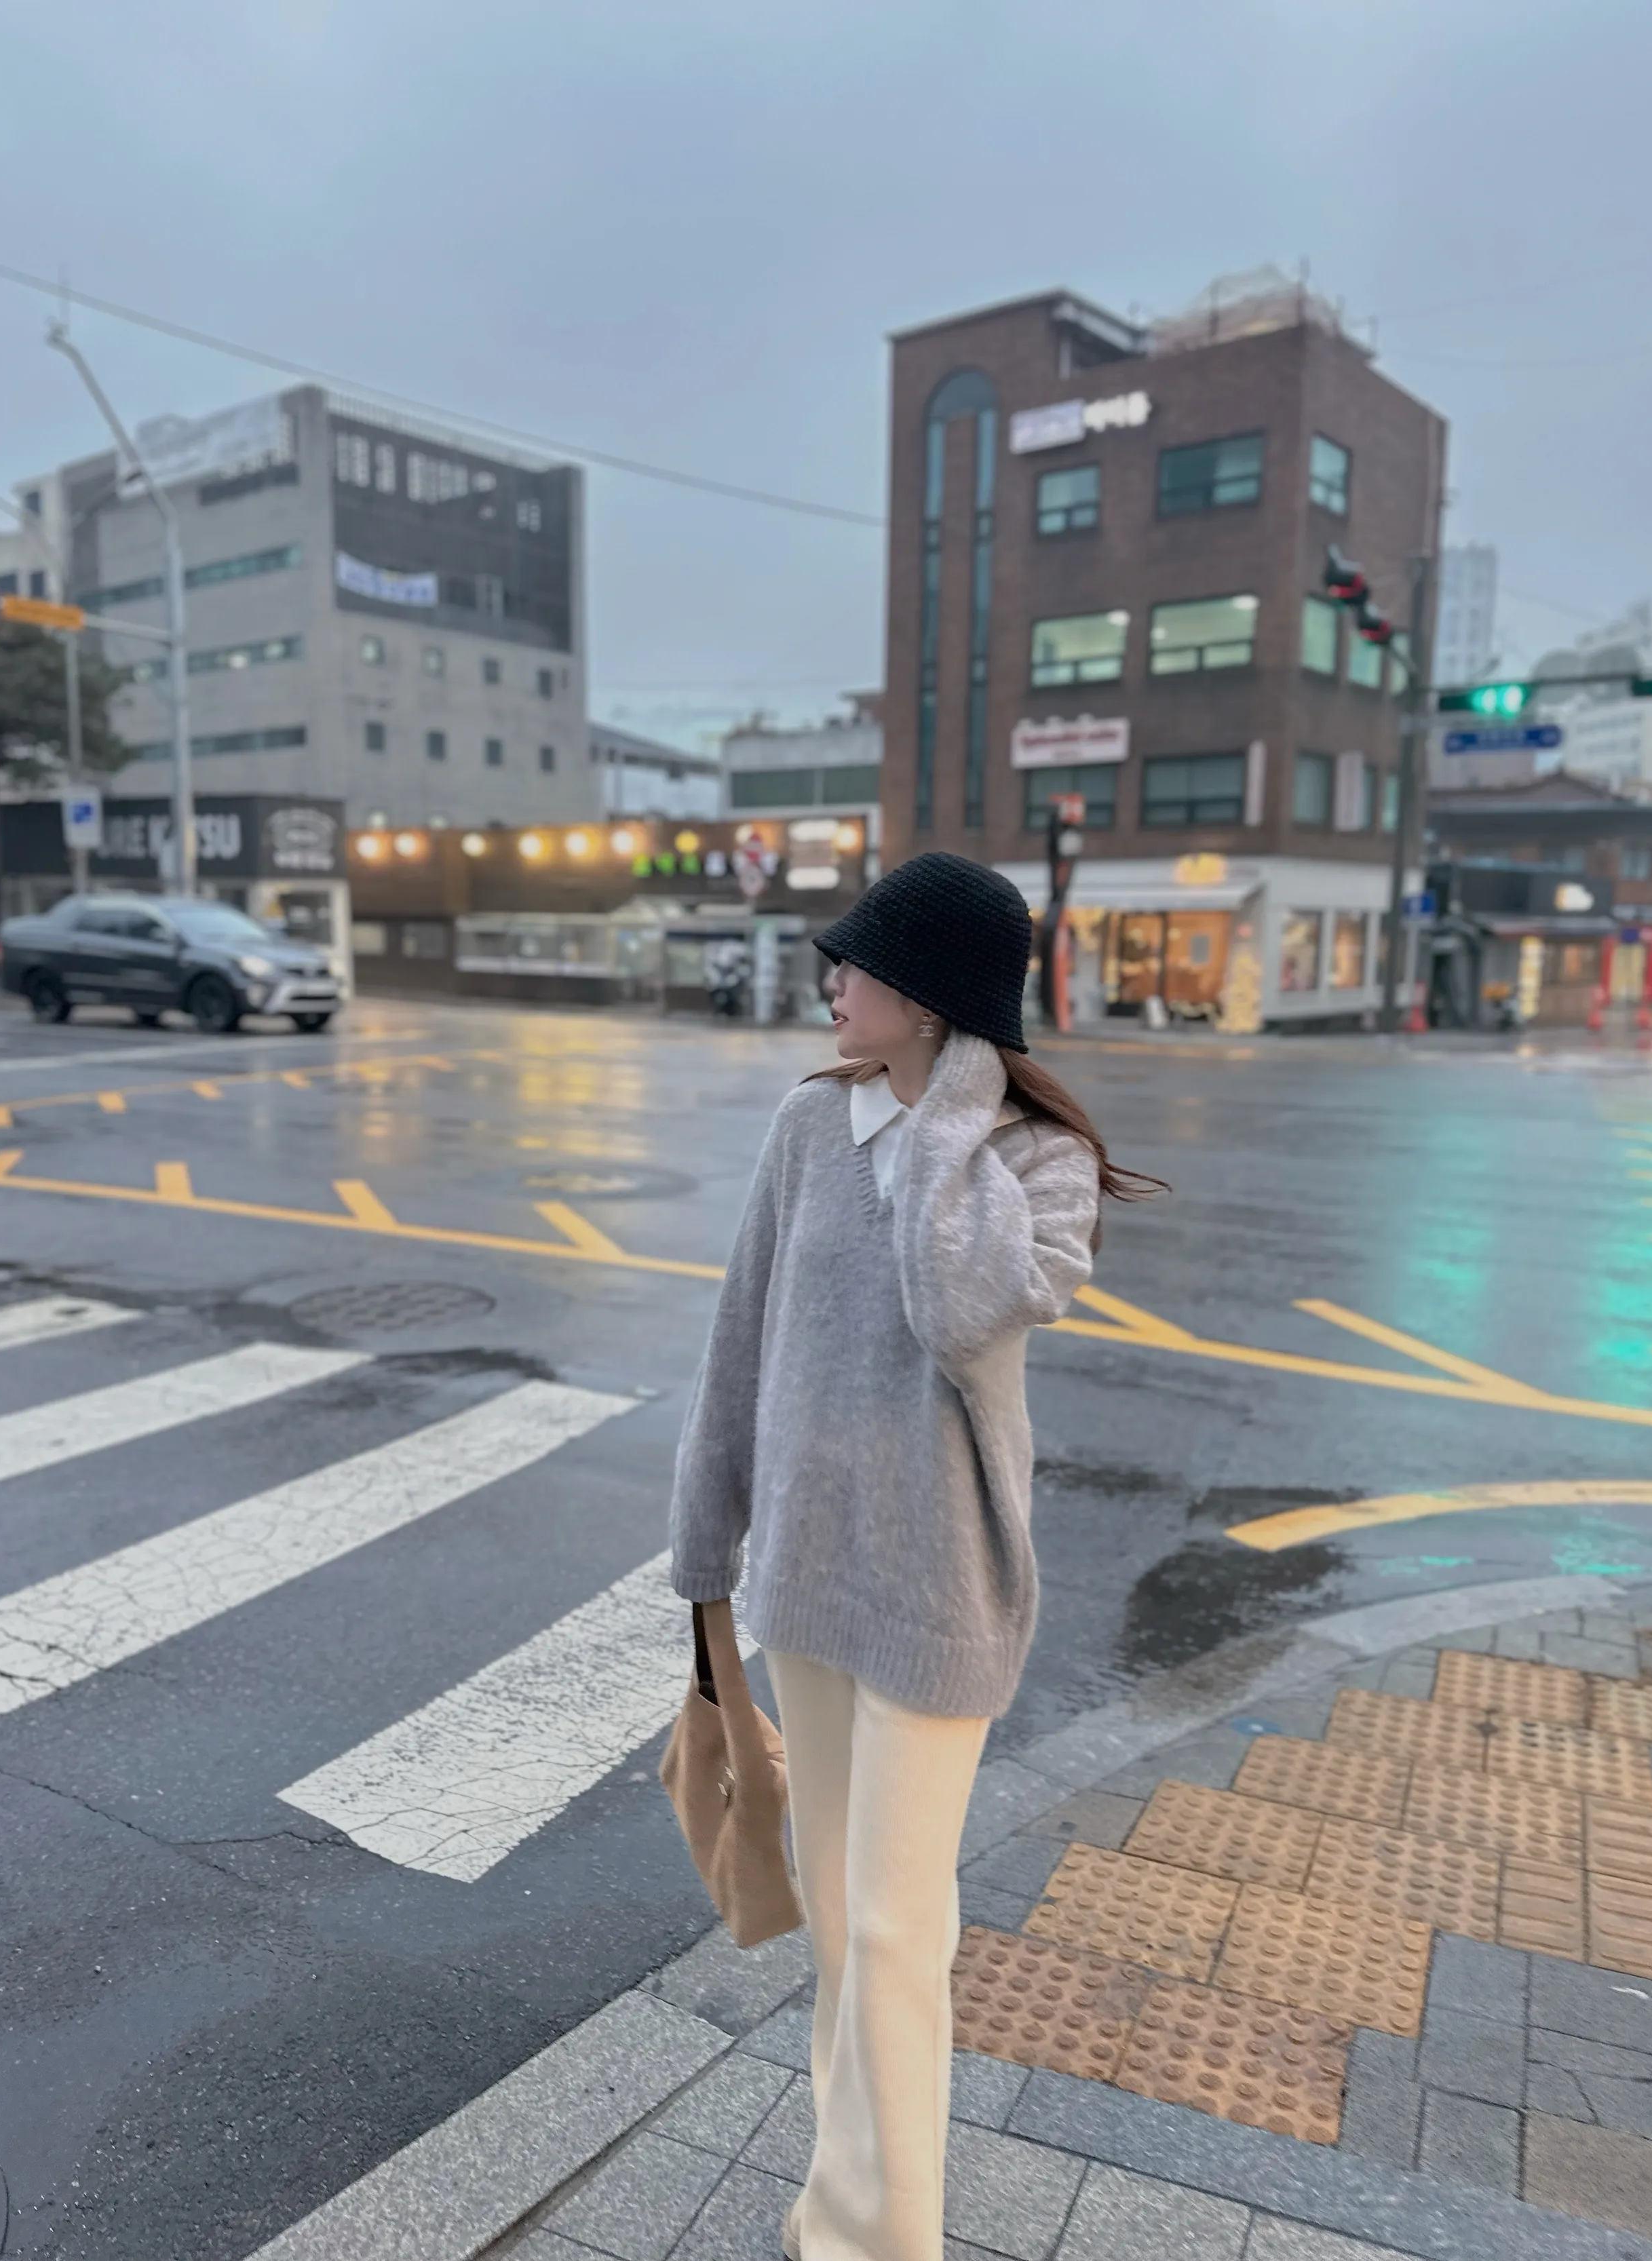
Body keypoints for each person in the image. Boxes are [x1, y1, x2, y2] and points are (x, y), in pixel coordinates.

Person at [668, 851, 1159, 2261]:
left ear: (932, 993)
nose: (832, 983)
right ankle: (840, 2206)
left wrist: (948, 1106)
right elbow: (740, 1337)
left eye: (860, 963)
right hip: (805, 1578)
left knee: (893, 1927)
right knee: (841, 1919)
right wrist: (703, 1547)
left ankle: (885, 2241)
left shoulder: (1031, 1161)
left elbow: (956, 1311)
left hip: (943, 1589)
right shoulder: (806, 1124)